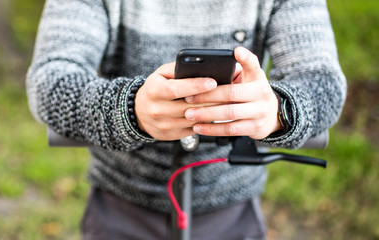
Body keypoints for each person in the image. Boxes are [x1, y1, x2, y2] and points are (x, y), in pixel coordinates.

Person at [26, 0, 347, 239]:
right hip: (121, 205)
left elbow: (322, 82)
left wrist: (277, 110)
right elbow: (50, 79)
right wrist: (131, 109)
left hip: (232, 211)